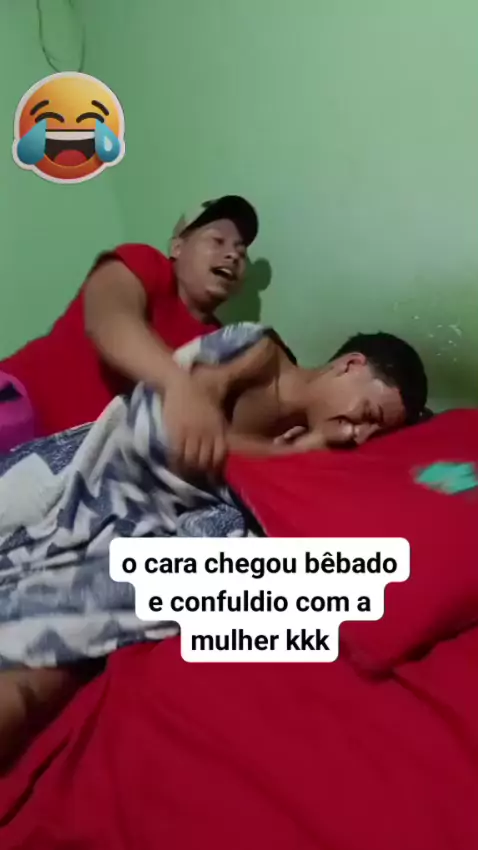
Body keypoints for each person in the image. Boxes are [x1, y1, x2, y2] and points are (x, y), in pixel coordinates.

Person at [0, 195, 259, 472]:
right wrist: (177, 383)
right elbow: (109, 319)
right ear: (177, 247)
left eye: (241, 252)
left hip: (73, 470)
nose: (233, 255)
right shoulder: (146, 263)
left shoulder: (220, 342)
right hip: (20, 402)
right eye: (217, 241)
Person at [188, 329, 428, 464]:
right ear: (350, 365)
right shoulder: (258, 353)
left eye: (374, 435)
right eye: (368, 414)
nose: (359, 436)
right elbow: (183, 421)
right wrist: (289, 454)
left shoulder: (314, 443)